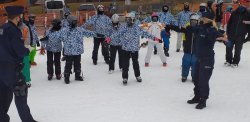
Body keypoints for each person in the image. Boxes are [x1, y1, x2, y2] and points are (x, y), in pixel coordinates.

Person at [0, 6, 37, 122]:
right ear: (17, 17)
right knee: (21, 95)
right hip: (13, 69)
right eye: (21, 15)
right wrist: (28, 49)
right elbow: (20, 51)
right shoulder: (14, 30)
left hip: (1, 68)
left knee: (4, 96)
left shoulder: (2, 28)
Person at [112, 12, 162, 85]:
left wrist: (156, 39)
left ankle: (137, 75)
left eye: (128, 19)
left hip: (134, 49)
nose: (127, 21)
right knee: (125, 64)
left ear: (132, 20)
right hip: (125, 49)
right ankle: (125, 77)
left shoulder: (137, 28)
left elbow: (146, 34)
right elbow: (116, 34)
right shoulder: (124, 27)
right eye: (126, 19)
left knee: (135, 63)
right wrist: (108, 39)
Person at [57, 15, 96, 84]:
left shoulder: (79, 29)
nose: (75, 23)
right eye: (73, 22)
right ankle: (66, 77)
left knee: (78, 64)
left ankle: (77, 75)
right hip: (69, 52)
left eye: (76, 22)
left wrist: (97, 34)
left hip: (78, 51)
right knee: (68, 64)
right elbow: (58, 37)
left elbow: (88, 33)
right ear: (70, 22)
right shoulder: (64, 30)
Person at [168, 14, 201, 83]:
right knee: (185, 64)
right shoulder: (187, 29)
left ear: (198, 22)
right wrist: (169, 26)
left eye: (195, 21)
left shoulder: (200, 30)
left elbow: (210, 32)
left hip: (196, 52)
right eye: (192, 21)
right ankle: (184, 75)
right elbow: (178, 28)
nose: (193, 23)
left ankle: (194, 77)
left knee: (195, 65)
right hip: (187, 51)